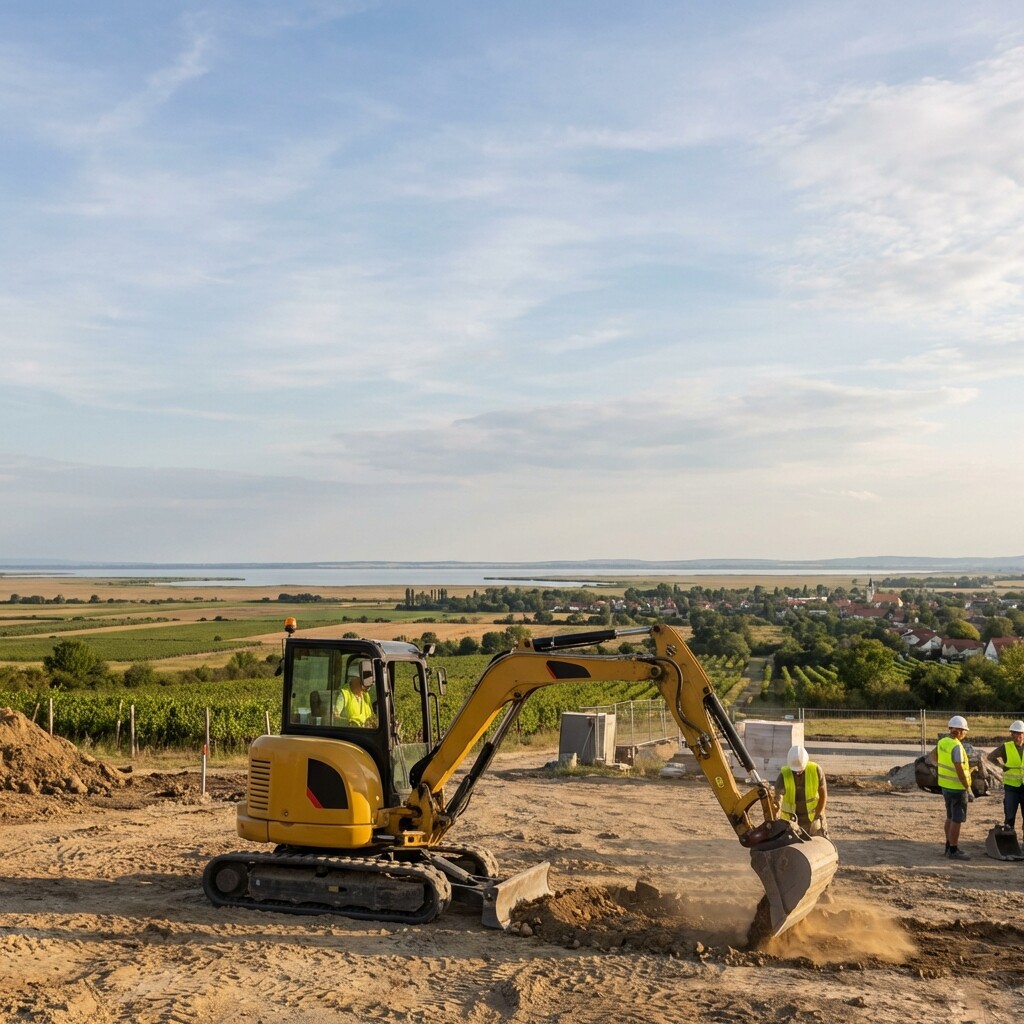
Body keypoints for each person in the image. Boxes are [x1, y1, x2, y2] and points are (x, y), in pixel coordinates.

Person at [930, 714, 973, 860]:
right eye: (965, 731)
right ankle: (954, 850)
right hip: (957, 787)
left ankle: (948, 846)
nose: (965, 734)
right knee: (957, 819)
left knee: (949, 816)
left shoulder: (943, 742)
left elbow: (932, 756)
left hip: (945, 786)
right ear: (961, 731)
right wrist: (968, 788)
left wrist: (940, 768)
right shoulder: (956, 747)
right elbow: (960, 769)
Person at [774, 745, 828, 836]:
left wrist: (819, 814)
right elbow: (778, 799)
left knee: (820, 845)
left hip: (814, 818)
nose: (798, 773)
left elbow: (823, 794)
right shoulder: (783, 775)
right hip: (792, 822)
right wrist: (776, 816)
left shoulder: (815, 770)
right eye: (795, 771)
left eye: (800, 770)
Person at [987, 719, 1024, 836]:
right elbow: (990, 757)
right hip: (1011, 787)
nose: (1015, 736)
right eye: (1013, 733)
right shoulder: (1006, 747)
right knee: (1010, 816)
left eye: (1018, 733)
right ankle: (1009, 839)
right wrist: (1001, 766)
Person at [335, 660, 375, 727]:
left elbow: (370, 718)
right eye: (364, 680)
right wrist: (350, 723)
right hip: (349, 734)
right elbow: (333, 718)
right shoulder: (343, 694)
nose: (367, 683)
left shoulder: (365, 695)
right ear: (354, 679)